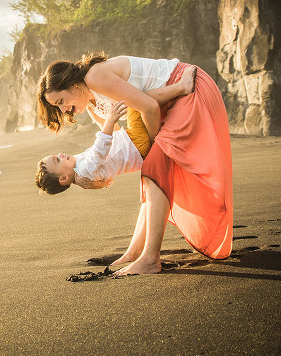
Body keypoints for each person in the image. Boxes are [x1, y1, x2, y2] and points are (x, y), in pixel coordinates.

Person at [37, 53, 233, 276]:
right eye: (58, 107)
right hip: (165, 104)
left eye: (60, 102)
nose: (63, 110)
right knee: (148, 176)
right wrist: (97, 177)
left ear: (72, 86)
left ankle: (150, 259)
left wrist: (151, 147)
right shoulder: (93, 107)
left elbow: (148, 106)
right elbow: (117, 142)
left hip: (188, 87)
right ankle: (134, 252)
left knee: (153, 170)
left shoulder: (94, 77)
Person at [36, 67, 195, 194]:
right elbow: (100, 149)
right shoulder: (84, 170)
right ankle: (181, 87)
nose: (60, 154)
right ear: (63, 178)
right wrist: (111, 120)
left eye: (56, 155)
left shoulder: (79, 169)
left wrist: (100, 180)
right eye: (57, 160)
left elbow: (103, 161)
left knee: (136, 103)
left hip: (132, 143)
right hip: (136, 144)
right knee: (137, 101)